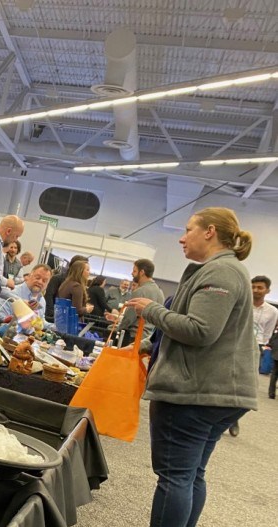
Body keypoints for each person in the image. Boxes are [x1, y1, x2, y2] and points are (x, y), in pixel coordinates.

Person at [126, 207, 257, 527]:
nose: (182, 238)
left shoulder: (221, 272)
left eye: (188, 230)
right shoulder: (226, 270)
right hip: (216, 392)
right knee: (190, 474)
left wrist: (152, 310)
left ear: (209, 231)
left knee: (175, 478)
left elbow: (201, 330)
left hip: (196, 392)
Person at [228, 275, 278, 435]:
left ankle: (233, 419)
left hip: (255, 349)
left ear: (267, 290)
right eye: (253, 286)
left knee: (244, 387)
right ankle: (226, 419)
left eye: (260, 287)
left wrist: (262, 348)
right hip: (233, 344)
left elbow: (267, 333)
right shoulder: (241, 304)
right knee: (226, 382)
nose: (256, 290)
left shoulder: (272, 312)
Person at [113, 259, 166, 348]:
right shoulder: (160, 293)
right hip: (149, 340)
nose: (132, 273)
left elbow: (129, 318)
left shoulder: (139, 291)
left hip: (133, 337)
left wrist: (117, 329)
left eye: (134, 271)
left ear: (142, 272)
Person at [0, 264, 56, 333]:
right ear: (29, 276)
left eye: (44, 281)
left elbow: (41, 322)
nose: (40, 282)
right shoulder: (12, 293)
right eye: (37, 278)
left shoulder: (42, 300)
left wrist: (55, 327)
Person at [44, 254, 88, 319]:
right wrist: (52, 314)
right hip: (55, 316)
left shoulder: (79, 283)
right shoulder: (58, 278)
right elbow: (49, 295)